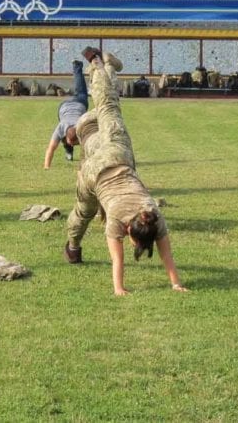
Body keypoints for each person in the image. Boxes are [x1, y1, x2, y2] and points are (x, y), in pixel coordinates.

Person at [62, 47, 188, 296]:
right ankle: (73, 246)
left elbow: (165, 256)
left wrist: (176, 283)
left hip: (118, 155)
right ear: (130, 231)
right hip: (95, 172)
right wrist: (120, 288)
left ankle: (101, 65)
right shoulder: (120, 220)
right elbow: (122, 259)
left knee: (109, 105)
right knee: (83, 212)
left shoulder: (152, 211)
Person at [44, 59, 89, 168]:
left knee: (81, 91)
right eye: (72, 143)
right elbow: (51, 149)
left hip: (71, 106)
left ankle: (68, 153)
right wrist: (46, 167)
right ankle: (77, 66)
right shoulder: (61, 127)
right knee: (81, 90)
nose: (74, 144)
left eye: (74, 143)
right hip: (69, 106)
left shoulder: (82, 129)